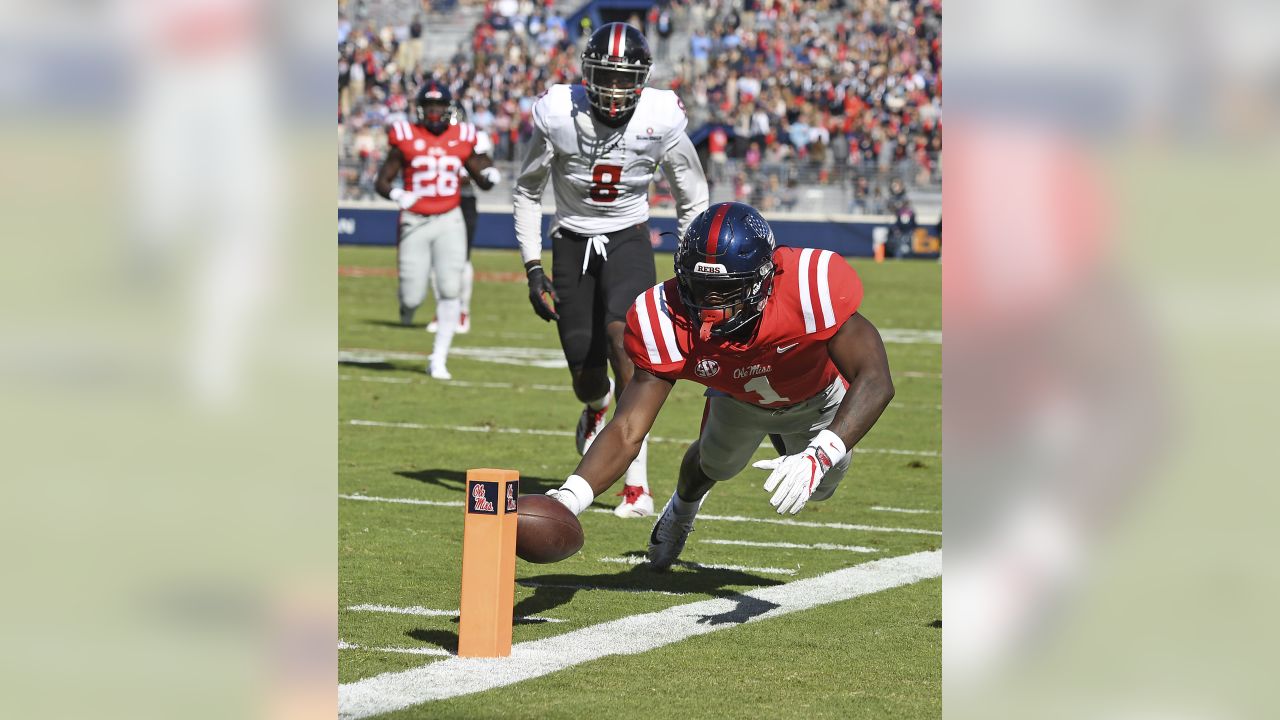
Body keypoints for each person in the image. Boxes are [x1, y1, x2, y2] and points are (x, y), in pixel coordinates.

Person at [543, 202, 895, 570]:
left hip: (817, 398)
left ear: (763, 279)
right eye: (700, 287)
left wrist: (821, 453)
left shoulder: (808, 284)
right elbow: (628, 428)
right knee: (715, 463)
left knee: (822, 487)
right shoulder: (665, 314)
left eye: (725, 290)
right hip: (739, 398)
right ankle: (681, 510)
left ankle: (802, 447)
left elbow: (876, 379)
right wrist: (571, 496)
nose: (710, 304)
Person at [513, 22, 709, 518]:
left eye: (626, 79)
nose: (617, 90)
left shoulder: (660, 116)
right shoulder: (559, 112)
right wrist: (533, 266)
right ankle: (596, 407)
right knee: (586, 372)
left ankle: (636, 486)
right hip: (571, 239)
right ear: (587, 74)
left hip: (628, 237)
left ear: (642, 80)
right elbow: (527, 189)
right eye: (607, 77)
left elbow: (693, 195)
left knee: (629, 349)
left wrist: (689, 265)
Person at [375, 80, 500, 379]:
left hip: (449, 218)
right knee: (411, 297)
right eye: (429, 106)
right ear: (420, 109)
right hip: (415, 220)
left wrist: (490, 176)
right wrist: (396, 195)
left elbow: (479, 175)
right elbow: (382, 180)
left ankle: (438, 358)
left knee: (449, 288)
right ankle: (408, 308)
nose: (434, 112)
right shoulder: (404, 135)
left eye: (439, 106)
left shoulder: (461, 136)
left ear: (448, 109)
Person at [426, 103, 495, 335]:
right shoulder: (432, 136)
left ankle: (463, 311)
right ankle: (442, 311)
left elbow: (484, 167)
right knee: (437, 259)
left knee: (462, 258)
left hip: (463, 200)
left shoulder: (474, 137)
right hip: (437, 200)